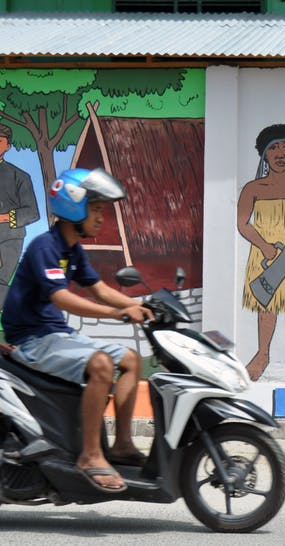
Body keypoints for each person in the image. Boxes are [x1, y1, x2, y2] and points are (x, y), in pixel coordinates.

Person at [1, 168, 152, 493]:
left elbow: (98, 289)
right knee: (101, 364)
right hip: (33, 340)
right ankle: (90, 455)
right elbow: (63, 299)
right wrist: (119, 313)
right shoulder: (45, 246)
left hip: (57, 336)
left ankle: (122, 445)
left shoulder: (71, 249)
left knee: (130, 359)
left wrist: (140, 305)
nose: (100, 218)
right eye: (95, 209)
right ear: (73, 208)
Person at [238, 124, 285, 381]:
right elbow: (242, 224)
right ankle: (262, 354)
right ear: (264, 154)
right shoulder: (253, 188)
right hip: (264, 254)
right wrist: (265, 247)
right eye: (273, 148)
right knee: (266, 305)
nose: (280, 153)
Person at [0, 123, 40, 308]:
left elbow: (32, 212)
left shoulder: (19, 176)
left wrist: (3, 218)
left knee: (2, 280)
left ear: (8, 146)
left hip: (9, 237)